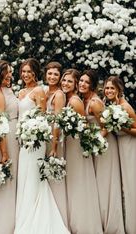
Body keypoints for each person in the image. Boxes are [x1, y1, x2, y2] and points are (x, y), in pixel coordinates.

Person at [14, 58, 69, 234]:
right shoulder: (21, 92)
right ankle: (23, 216)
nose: (25, 74)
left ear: (36, 73)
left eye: (29, 71)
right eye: (23, 71)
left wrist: (35, 134)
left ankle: (33, 219)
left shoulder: (39, 91)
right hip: (23, 141)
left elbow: (43, 117)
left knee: (33, 178)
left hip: (35, 141)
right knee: (24, 177)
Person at [79, 70, 124, 233]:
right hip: (95, 146)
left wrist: (95, 141)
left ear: (92, 85)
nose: (82, 84)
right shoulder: (83, 100)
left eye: (86, 82)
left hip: (104, 146)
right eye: (81, 81)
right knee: (98, 185)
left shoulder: (95, 103)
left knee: (106, 185)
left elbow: (106, 127)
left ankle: (112, 225)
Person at [61, 69, 102, 234]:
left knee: (79, 181)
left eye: (70, 81)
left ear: (75, 84)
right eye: (64, 80)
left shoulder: (75, 101)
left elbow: (84, 127)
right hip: (70, 144)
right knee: (73, 182)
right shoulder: (68, 99)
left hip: (76, 145)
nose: (65, 83)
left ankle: (84, 224)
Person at [0, 60, 19, 234]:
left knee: (15, 179)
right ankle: (5, 225)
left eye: (10, 72)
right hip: (7, 138)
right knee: (9, 180)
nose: (10, 75)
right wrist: (4, 152)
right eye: (7, 72)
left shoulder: (9, 90)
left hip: (15, 135)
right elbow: (0, 126)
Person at [103, 76, 136, 233]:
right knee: (124, 186)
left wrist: (123, 129)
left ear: (119, 90)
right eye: (107, 88)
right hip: (120, 147)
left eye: (112, 88)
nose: (109, 91)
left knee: (131, 186)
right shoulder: (113, 106)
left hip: (129, 147)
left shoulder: (125, 107)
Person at [44, 61, 68, 227]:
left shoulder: (59, 94)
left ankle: (57, 217)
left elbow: (58, 122)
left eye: (55, 75)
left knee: (53, 177)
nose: (52, 77)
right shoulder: (44, 91)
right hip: (42, 136)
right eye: (50, 73)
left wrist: (54, 147)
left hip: (53, 139)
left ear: (60, 78)